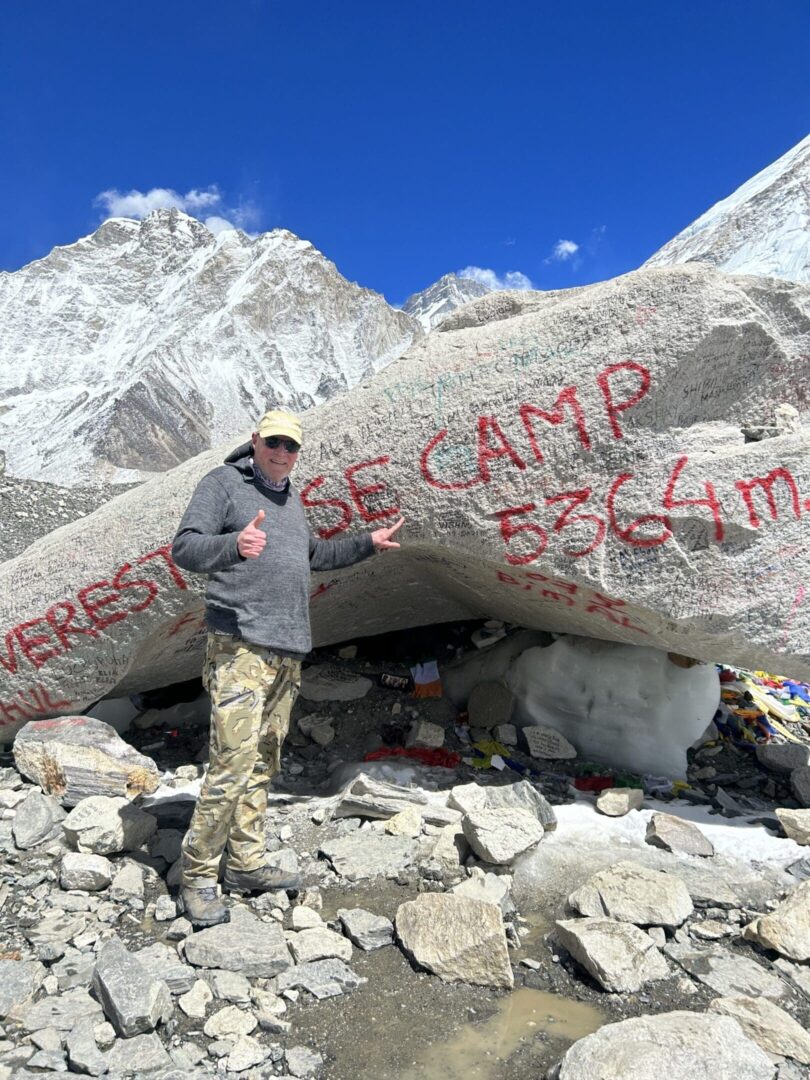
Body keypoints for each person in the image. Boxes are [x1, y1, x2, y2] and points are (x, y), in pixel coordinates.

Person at [171, 408, 403, 926]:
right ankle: (199, 876)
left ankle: (246, 865)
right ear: (255, 440)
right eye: (273, 442)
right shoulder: (223, 484)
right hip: (240, 645)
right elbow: (184, 547)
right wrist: (234, 544)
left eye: (290, 446)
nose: (281, 452)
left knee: (261, 763)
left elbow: (313, 553)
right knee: (231, 763)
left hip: (286, 649)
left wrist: (367, 543)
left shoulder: (290, 497)